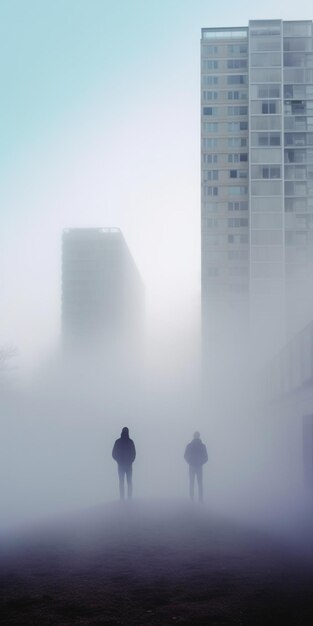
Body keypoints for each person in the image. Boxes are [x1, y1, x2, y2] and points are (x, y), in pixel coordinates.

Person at [112, 427, 136, 500]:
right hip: (125, 465)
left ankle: (125, 498)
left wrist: (119, 461)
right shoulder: (130, 442)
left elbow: (134, 454)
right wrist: (129, 461)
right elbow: (114, 454)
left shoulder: (119, 442)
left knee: (124, 482)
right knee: (127, 482)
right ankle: (127, 498)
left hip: (124, 465)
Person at [184, 432, 208, 502]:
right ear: (194, 436)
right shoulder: (191, 445)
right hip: (194, 466)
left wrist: (200, 463)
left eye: (197, 435)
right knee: (193, 483)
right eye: (196, 435)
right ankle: (193, 499)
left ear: (198, 436)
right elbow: (185, 456)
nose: (196, 436)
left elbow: (206, 457)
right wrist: (191, 462)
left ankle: (199, 499)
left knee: (198, 483)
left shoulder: (200, 446)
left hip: (196, 466)